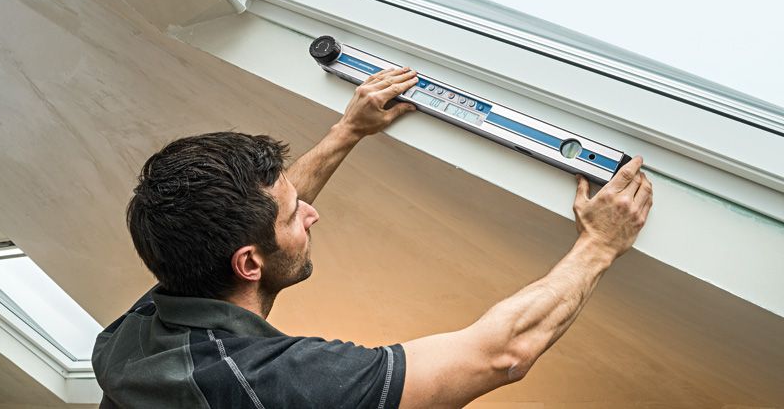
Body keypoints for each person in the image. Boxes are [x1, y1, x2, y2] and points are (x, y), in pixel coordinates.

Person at [93, 66, 653, 408]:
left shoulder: (140, 331)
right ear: (248, 264)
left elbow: (259, 223)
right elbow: (499, 354)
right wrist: (598, 245)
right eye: (295, 217)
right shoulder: (278, 384)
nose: (311, 216)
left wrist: (348, 131)